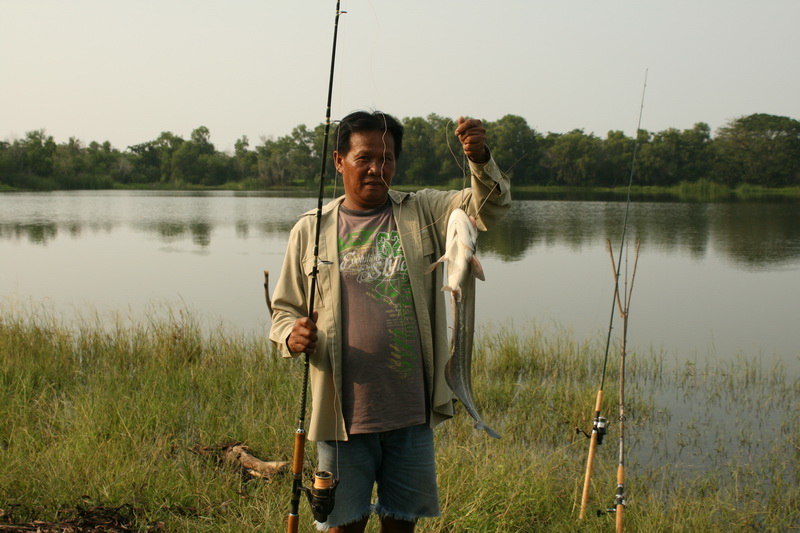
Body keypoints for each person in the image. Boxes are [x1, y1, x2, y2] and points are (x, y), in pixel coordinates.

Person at [269, 110, 511, 532]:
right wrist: (292, 335)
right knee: (344, 524)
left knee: (402, 523)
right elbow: (284, 311)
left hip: (411, 414)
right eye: (364, 158)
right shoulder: (310, 230)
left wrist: (478, 158)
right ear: (339, 161)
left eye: (387, 159)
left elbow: (486, 207)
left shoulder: (425, 212)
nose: (377, 169)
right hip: (343, 417)